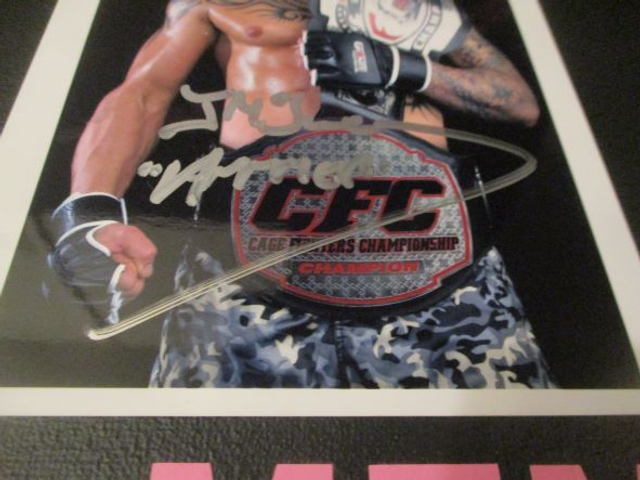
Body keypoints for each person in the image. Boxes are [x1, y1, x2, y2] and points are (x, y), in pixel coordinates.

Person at [48, 0, 554, 388]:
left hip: (434, 262)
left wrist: (402, 67)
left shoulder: (422, 9)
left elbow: (520, 104)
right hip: (252, 269)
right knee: (203, 443)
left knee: (499, 439)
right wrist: (88, 212)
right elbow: (143, 92)